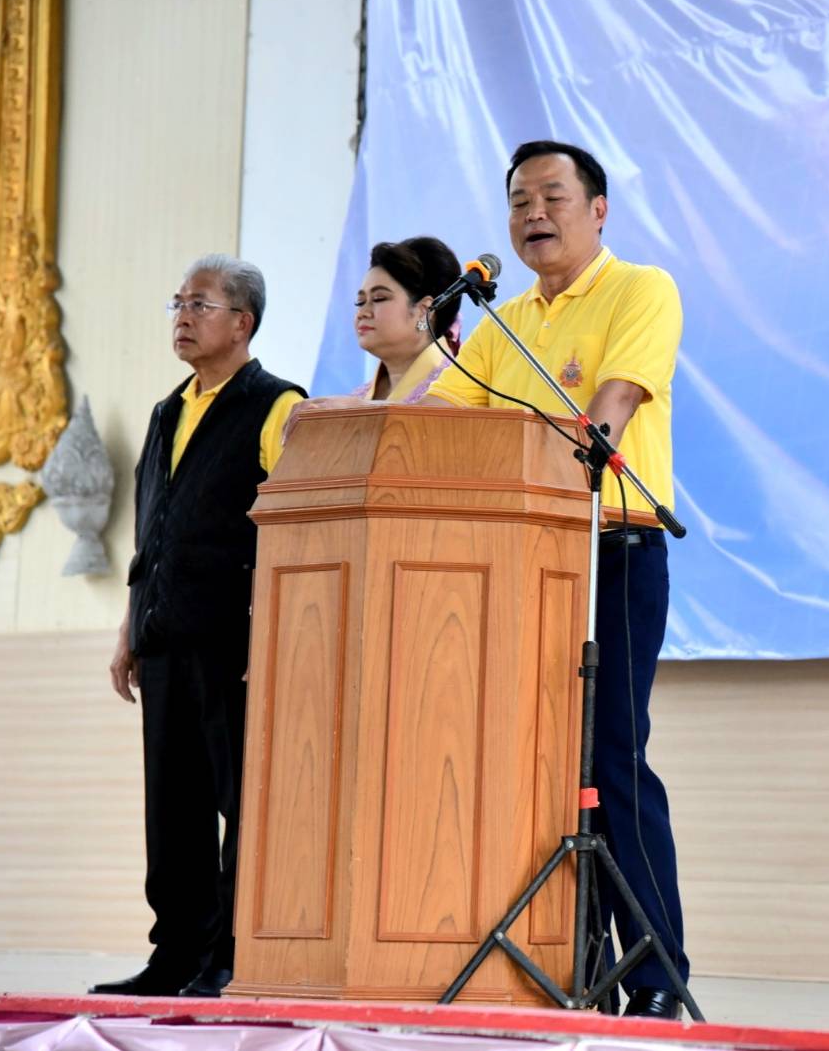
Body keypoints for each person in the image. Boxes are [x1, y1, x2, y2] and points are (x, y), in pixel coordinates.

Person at [291, 140, 689, 1017]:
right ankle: (567, 964)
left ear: (598, 210)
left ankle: (657, 977)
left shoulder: (641, 289)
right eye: (518, 201)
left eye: (551, 196)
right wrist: (343, 419)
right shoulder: (506, 324)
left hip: (612, 550)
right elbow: (435, 424)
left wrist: (578, 440)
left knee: (611, 761)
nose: (532, 213)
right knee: (530, 764)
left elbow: (614, 406)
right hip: (520, 568)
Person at [94, 255, 305, 998]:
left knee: (239, 804)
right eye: (178, 303)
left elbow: (291, 531)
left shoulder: (279, 406)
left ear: (242, 322)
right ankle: (174, 955)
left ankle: (230, 958)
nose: (182, 317)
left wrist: (271, 630)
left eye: (200, 304)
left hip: (232, 641)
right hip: (163, 636)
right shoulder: (166, 412)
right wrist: (129, 628)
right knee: (173, 809)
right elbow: (150, 531)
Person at [349, 236, 462, 402]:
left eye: (379, 298)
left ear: (424, 311)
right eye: (360, 302)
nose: (362, 313)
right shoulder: (356, 398)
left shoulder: (455, 394)